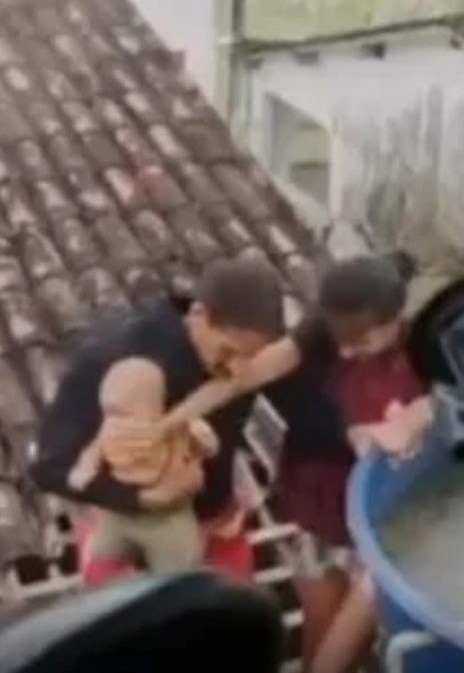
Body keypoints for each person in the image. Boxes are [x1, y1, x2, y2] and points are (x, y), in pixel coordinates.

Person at [156, 252, 432, 673]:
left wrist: (404, 424)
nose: (346, 350)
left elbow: (447, 406)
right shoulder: (320, 334)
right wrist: (169, 421)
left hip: (383, 516)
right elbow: (243, 378)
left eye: (359, 342)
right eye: (340, 339)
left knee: (349, 645)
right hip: (318, 498)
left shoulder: (425, 352)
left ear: (393, 321)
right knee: (318, 629)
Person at [29, 258, 288, 582]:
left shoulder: (255, 356)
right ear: (198, 316)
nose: (238, 370)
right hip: (128, 535)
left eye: (250, 359)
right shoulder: (115, 358)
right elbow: (50, 465)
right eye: (228, 353)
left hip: (216, 529)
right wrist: (140, 500)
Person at [65, 376, 219, 571]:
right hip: (122, 510)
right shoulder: (111, 427)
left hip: (171, 514)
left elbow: (210, 448)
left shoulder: (182, 423)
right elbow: (88, 462)